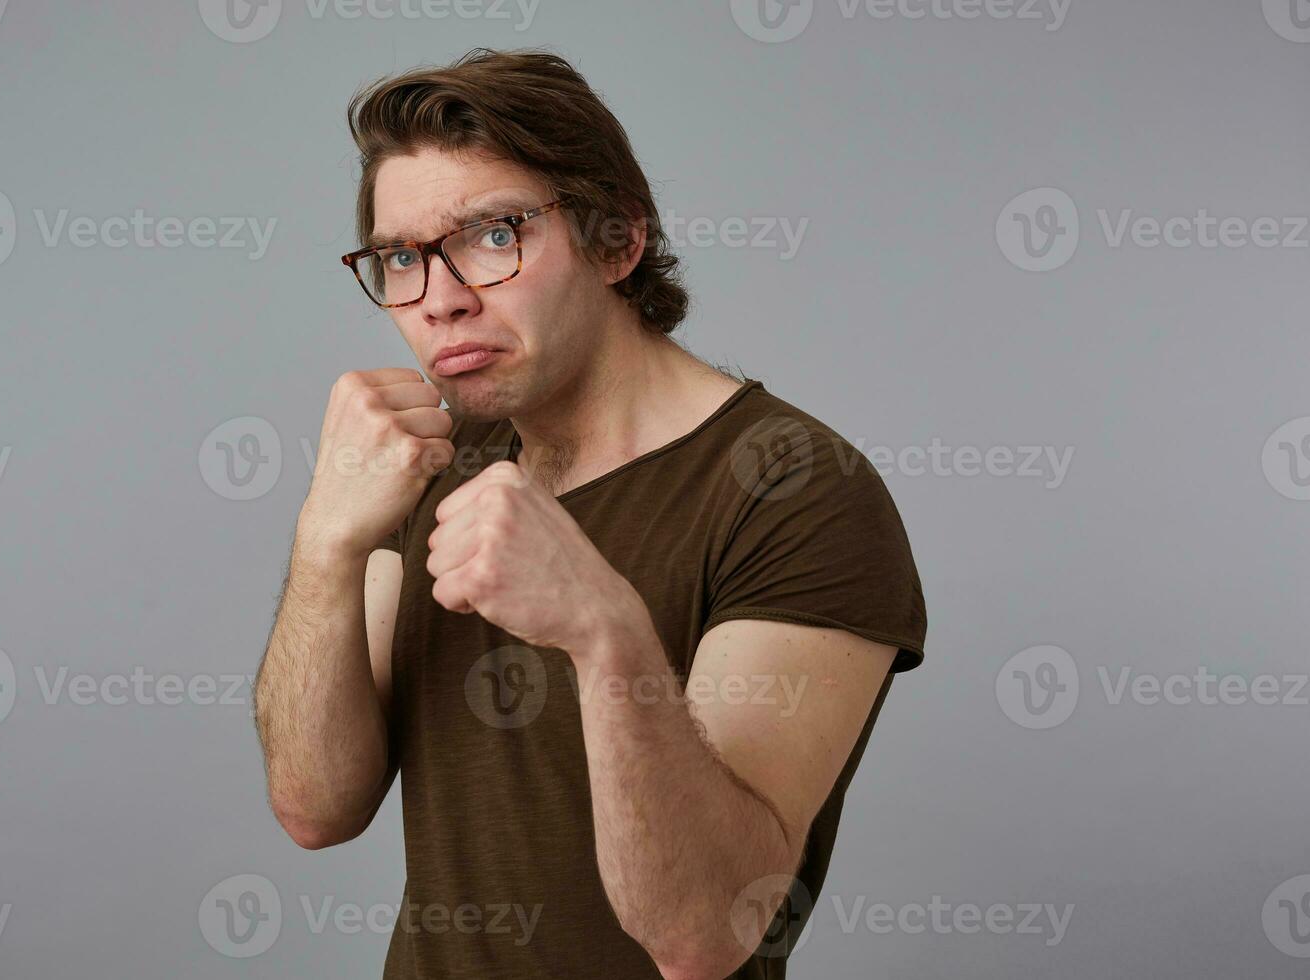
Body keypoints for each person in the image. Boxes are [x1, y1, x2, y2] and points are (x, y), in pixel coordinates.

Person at [252, 47, 927, 980]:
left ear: (617, 242)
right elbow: (315, 808)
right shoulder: (434, 464)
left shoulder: (796, 488)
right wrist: (326, 541)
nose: (440, 301)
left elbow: (704, 936)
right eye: (402, 257)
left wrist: (607, 633)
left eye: (493, 235)